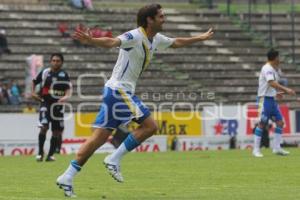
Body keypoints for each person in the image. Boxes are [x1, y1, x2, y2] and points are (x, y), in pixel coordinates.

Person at [56, 4, 213, 197]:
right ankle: (113, 158)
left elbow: (177, 42)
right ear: (150, 20)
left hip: (114, 91)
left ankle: (67, 176)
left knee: (98, 138)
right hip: (119, 90)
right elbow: (112, 42)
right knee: (150, 126)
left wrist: (201, 38)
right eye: (161, 16)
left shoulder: (155, 39)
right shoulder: (135, 36)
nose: (164, 19)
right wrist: (92, 40)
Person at [252, 49, 296, 158]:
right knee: (262, 123)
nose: (280, 59)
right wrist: (286, 90)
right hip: (264, 100)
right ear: (275, 58)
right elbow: (271, 82)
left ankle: (277, 148)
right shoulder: (267, 68)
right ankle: (256, 150)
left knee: (280, 122)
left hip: (271, 100)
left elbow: (270, 86)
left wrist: (277, 93)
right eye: (279, 57)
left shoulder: (272, 69)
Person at [32, 53, 71, 162]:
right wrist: (33, 93)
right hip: (46, 103)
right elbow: (34, 81)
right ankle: (40, 153)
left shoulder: (64, 74)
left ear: (61, 62)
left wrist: (65, 97)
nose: (55, 62)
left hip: (58, 106)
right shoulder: (45, 72)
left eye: (58, 61)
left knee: (56, 131)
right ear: (50, 61)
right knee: (44, 127)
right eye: (53, 60)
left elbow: (68, 89)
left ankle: (50, 155)